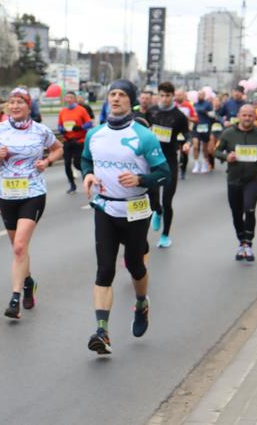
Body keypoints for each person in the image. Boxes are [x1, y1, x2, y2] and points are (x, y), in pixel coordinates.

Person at [82, 79, 171, 354]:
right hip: (105, 208)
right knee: (105, 269)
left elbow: (165, 172)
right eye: (112, 94)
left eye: (121, 94)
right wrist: (87, 174)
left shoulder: (144, 136)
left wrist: (140, 178)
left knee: (135, 264)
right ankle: (102, 332)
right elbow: (86, 159)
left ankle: (142, 303)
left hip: (134, 209)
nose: (116, 98)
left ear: (130, 100)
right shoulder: (94, 134)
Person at [0, 87, 63, 320]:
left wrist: (46, 161)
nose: (15, 106)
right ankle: (28, 283)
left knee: (19, 247)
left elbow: (59, 148)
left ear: (29, 106)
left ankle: (14, 299)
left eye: (20, 102)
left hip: (33, 193)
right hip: (6, 195)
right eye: (12, 102)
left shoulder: (41, 130)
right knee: (19, 250)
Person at [214, 104, 257, 262]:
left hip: (252, 179)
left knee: (249, 209)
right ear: (239, 116)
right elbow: (216, 151)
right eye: (244, 115)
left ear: (255, 117)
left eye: (250, 115)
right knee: (236, 213)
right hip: (234, 179)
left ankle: (248, 244)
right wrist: (226, 157)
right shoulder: (228, 133)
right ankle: (241, 241)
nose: (247, 118)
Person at [145, 81, 190, 248]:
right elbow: (143, 129)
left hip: (169, 159)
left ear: (173, 96)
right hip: (152, 160)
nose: (164, 99)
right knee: (153, 197)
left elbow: (186, 134)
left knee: (167, 199)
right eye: (162, 95)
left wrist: (187, 143)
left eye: (168, 96)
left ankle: (165, 235)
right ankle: (157, 211)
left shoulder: (179, 116)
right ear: (158, 95)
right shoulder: (151, 112)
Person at [58, 90, 93, 193]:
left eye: (71, 98)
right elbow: (59, 125)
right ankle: (72, 185)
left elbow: (89, 123)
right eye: (67, 98)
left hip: (79, 141)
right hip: (68, 140)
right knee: (67, 163)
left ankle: (86, 179)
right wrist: (62, 129)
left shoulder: (81, 110)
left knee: (78, 163)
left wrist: (80, 127)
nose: (69, 100)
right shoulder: (62, 111)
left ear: (75, 99)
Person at [192, 89, 213, 174]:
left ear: (204, 96)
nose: (200, 96)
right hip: (196, 127)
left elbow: (212, 115)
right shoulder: (195, 104)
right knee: (195, 146)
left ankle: (204, 164)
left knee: (205, 148)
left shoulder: (208, 104)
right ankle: (196, 163)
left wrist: (206, 112)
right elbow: (192, 114)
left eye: (202, 95)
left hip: (205, 127)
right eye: (199, 94)